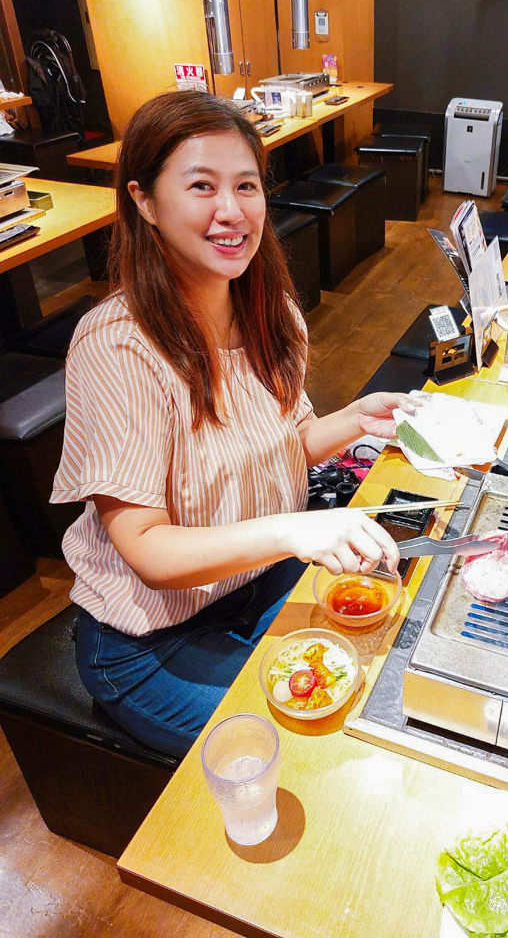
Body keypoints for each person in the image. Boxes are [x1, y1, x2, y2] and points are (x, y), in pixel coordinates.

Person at [51, 90, 416, 758]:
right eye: (201, 186)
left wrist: (359, 420)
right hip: (148, 640)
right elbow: (149, 552)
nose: (232, 210)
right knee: (314, 748)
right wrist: (295, 529)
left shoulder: (270, 311)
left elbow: (287, 447)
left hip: (257, 580)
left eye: (246, 185)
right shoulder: (117, 347)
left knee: (381, 671)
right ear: (145, 201)